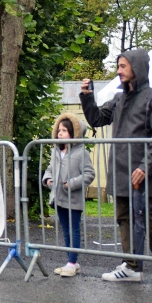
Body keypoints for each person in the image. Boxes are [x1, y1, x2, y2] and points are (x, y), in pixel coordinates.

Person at [80, 49, 152, 282]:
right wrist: (88, 96)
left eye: (123, 66)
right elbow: (97, 119)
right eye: (118, 66)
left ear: (137, 67)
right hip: (119, 170)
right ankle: (131, 266)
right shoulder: (119, 99)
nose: (119, 71)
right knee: (124, 217)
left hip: (141, 170)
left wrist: (145, 166)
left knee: (147, 216)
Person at [42, 113, 95, 277]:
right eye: (59, 130)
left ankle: (72, 262)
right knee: (65, 230)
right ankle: (71, 262)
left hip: (73, 198)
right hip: (58, 198)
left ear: (74, 133)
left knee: (74, 230)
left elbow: (89, 174)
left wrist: (70, 184)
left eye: (64, 130)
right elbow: (50, 169)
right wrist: (48, 179)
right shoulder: (56, 152)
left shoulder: (82, 153)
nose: (60, 133)